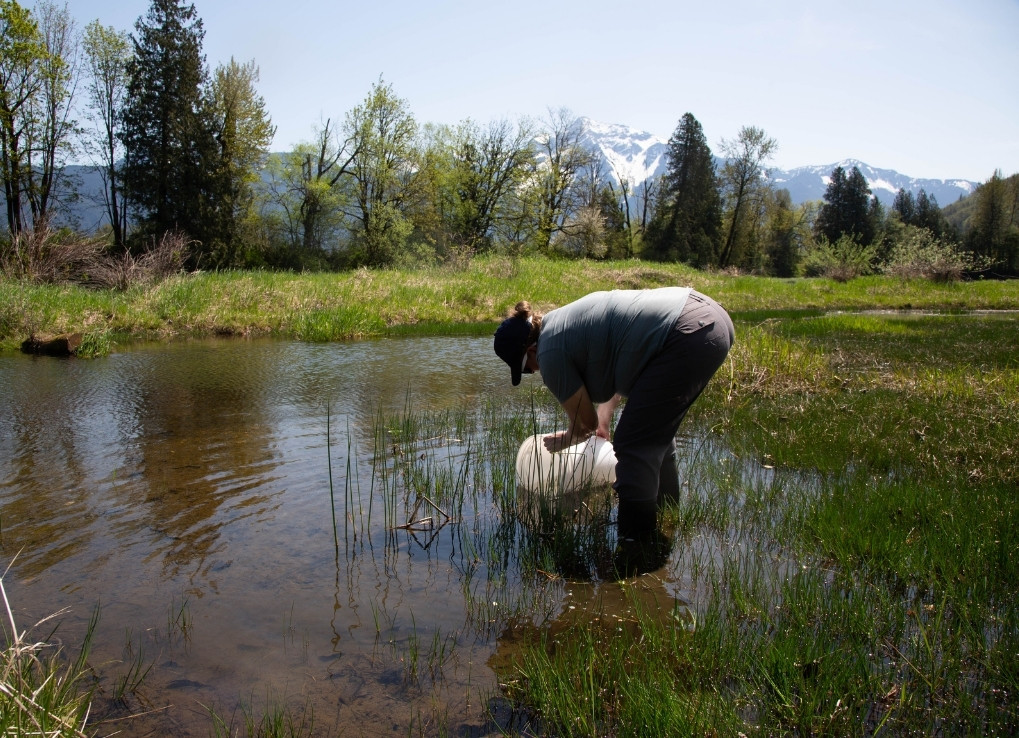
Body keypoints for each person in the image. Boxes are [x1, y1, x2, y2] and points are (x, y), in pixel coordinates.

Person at [493, 287, 734, 548]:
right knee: (654, 438)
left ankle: (634, 548)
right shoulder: (560, 323)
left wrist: (567, 438)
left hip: (686, 331)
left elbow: (585, 425)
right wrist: (605, 416)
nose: (534, 371)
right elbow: (622, 355)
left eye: (527, 369)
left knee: (633, 446)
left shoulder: (549, 352)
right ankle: (666, 521)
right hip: (708, 319)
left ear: (530, 350)